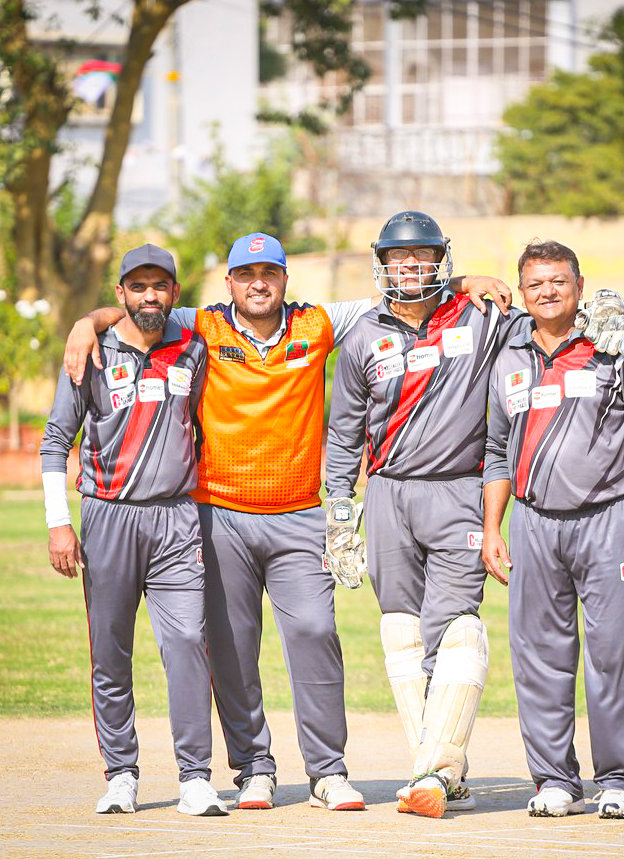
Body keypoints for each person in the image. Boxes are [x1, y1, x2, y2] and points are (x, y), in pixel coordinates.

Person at [61, 232, 508, 813]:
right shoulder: (202, 325)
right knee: (231, 649)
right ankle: (254, 769)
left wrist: (463, 282)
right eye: (246, 275)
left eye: (269, 273)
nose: (258, 284)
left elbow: (403, 294)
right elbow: (142, 308)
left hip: (299, 515)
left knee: (316, 634)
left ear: (284, 279)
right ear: (229, 283)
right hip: (219, 514)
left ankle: (328, 771)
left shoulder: (318, 324)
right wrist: (86, 323)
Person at [324, 213, 624, 819]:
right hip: (386, 492)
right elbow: (343, 433)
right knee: (402, 632)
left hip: (459, 491)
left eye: (421, 255)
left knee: (456, 625)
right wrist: (339, 511)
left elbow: (551, 321)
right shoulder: (362, 334)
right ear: (381, 263)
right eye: (397, 257)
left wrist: (603, 306)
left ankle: (434, 772)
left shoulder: (484, 317)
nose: (409, 266)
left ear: (441, 259)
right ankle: (439, 770)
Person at [481, 240, 624, 820]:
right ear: (522, 292)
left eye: (559, 281)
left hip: (612, 520)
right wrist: (493, 528)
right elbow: (496, 450)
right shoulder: (508, 357)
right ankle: (554, 780)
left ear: (579, 286)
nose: (548, 292)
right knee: (539, 658)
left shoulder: (613, 347)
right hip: (534, 523)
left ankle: (618, 779)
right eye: (536, 283)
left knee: (615, 656)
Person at [40, 243, 227, 817]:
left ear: (174, 292)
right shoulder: (92, 350)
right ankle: (121, 774)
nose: (150, 297)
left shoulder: (193, 348)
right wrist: (58, 524)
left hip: (176, 520)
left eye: (160, 286)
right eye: (138, 287)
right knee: (111, 652)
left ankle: (195, 778)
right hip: (108, 518)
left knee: (188, 643)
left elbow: (200, 426)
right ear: (120, 293)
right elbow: (55, 442)